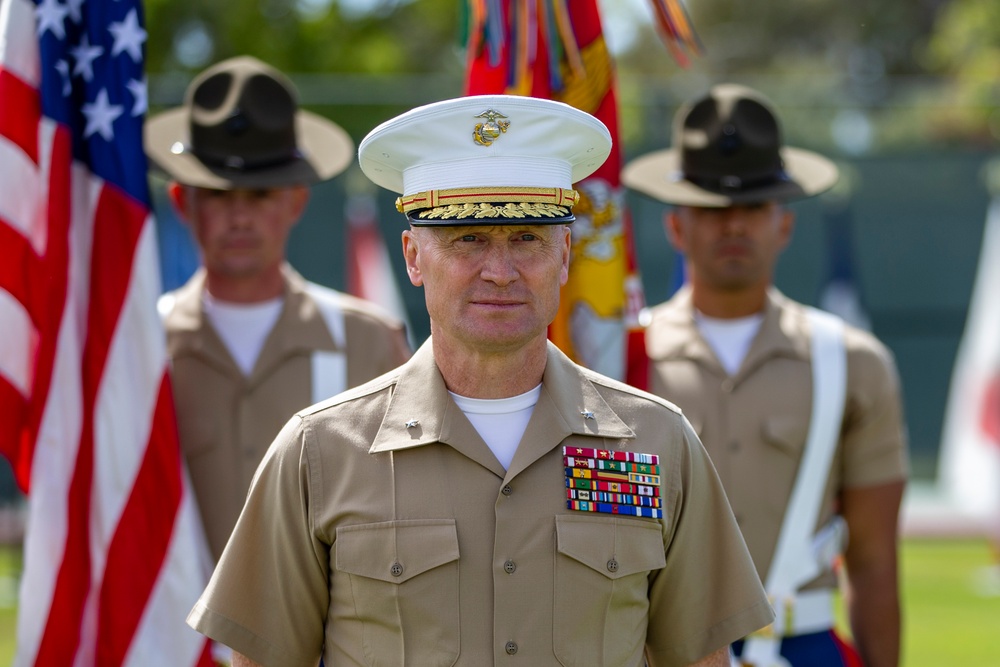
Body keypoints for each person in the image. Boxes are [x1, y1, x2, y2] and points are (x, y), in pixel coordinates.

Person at [187, 94, 774, 667]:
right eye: (467, 239)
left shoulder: (656, 443)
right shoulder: (321, 451)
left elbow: (699, 657)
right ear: (414, 256)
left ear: (565, 254)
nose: (500, 271)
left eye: (527, 239)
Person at [622, 83, 908, 667]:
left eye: (753, 207)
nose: (733, 227)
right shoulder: (623, 360)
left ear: (784, 225)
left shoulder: (853, 361)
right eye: (712, 209)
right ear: (676, 228)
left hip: (804, 647)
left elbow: (876, 562)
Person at [144, 55, 412, 566]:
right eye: (219, 195)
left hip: (322, 641)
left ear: (295, 201)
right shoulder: (139, 343)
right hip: (177, 640)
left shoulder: (368, 341)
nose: (240, 216)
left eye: (260, 194)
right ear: (182, 202)